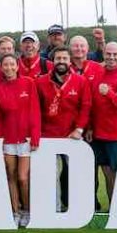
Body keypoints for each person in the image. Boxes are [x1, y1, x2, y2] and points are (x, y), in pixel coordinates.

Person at [36, 46, 91, 210]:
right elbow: (36, 110)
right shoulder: (40, 82)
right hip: (48, 135)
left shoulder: (81, 81)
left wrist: (79, 129)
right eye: (58, 59)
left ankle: (76, 208)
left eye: (64, 59)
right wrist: (37, 134)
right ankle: (54, 208)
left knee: (75, 174)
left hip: (71, 135)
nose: (61, 62)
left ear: (70, 61)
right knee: (49, 175)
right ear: (52, 62)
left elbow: (86, 107)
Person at [89, 42, 117, 210]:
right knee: (106, 174)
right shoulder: (97, 73)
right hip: (98, 134)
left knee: (116, 175)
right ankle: (113, 210)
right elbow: (92, 105)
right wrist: (90, 127)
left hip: (116, 135)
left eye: (115, 54)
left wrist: (109, 93)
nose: (111, 57)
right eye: (108, 54)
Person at [0, 53, 40, 226]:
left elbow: (35, 111)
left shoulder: (28, 83)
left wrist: (35, 135)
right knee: (11, 176)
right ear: (1, 67)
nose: (9, 68)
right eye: (5, 65)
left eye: (12, 64)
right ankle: (15, 211)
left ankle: (27, 210)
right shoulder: (0, 88)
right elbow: (0, 117)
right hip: (8, 140)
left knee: (23, 177)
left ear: (17, 65)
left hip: (26, 139)